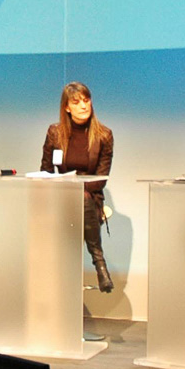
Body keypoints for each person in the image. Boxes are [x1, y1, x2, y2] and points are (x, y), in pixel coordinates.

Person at [41, 82, 116, 293]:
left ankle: (97, 262)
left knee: (82, 197)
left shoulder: (104, 135)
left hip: (91, 196)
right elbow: (45, 171)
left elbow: (101, 178)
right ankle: (99, 262)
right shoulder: (55, 133)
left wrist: (76, 188)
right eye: (77, 102)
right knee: (75, 197)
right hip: (61, 194)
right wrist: (64, 188)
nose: (84, 106)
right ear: (67, 107)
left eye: (86, 100)